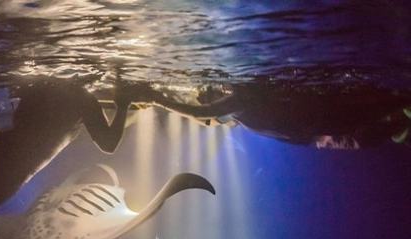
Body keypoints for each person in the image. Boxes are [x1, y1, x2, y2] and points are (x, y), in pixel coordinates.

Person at [0, 75, 156, 231]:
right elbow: (109, 143)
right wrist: (122, 104)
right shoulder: (83, 98)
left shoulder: (42, 82)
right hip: (15, 168)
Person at [150, 81, 411, 149]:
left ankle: (401, 117)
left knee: (378, 110)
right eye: (206, 93)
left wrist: (160, 99)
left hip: (323, 118)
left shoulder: (241, 109)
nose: (207, 91)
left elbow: (204, 114)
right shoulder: (239, 107)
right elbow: (203, 113)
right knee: (379, 109)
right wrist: (157, 99)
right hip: (324, 117)